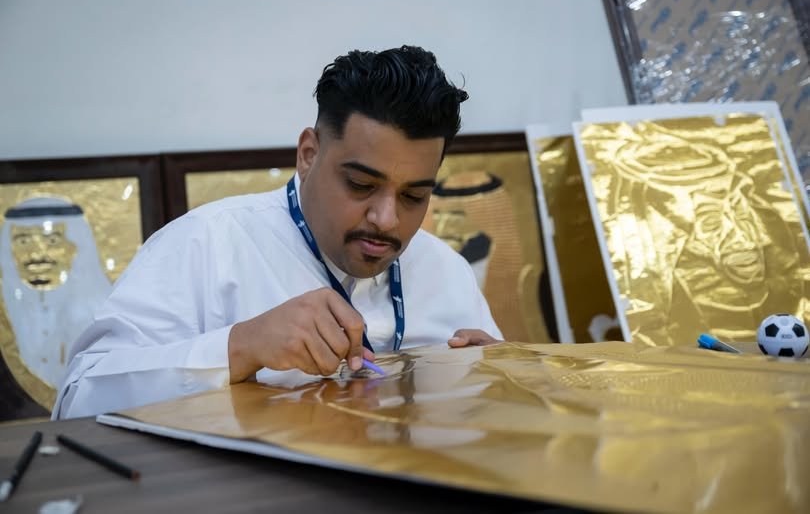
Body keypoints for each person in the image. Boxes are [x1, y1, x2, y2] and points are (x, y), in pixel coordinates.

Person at [54, 45, 502, 419]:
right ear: (308, 155)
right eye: (360, 185)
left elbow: (487, 416)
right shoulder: (205, 244)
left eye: (413, 196)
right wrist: (239, 347)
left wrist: (501, 378)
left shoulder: (447, 270)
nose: (386, 219)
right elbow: (76, 399)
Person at [1, 197, 112, 397]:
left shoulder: (102, 311)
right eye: (23, 241)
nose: (36, 255)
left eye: (52, 240)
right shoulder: (7, 308)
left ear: (77, 247)